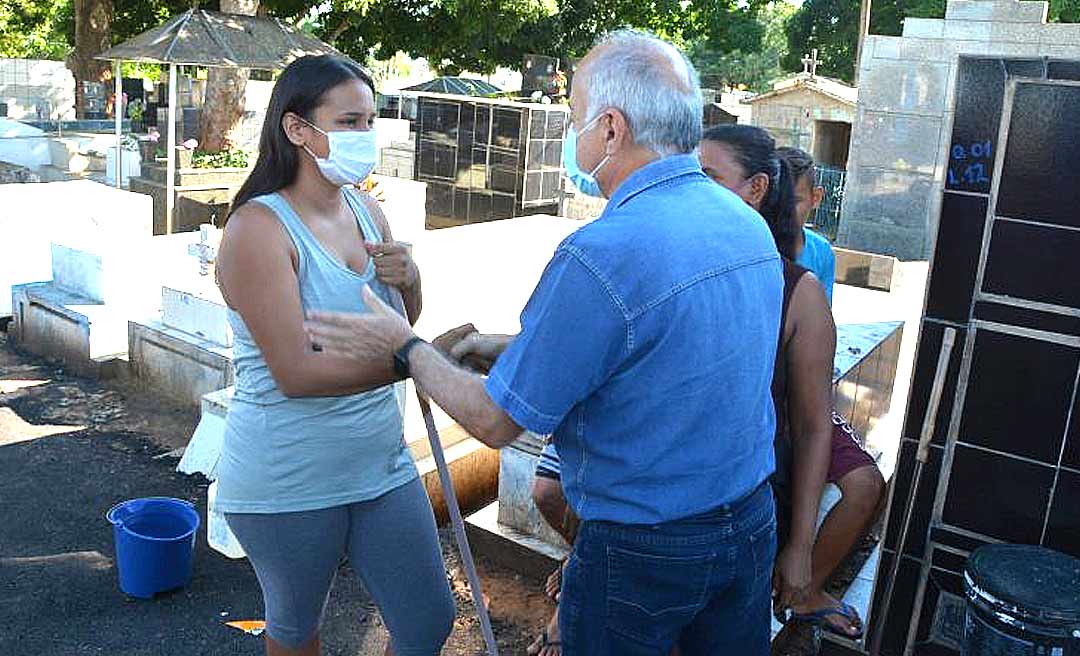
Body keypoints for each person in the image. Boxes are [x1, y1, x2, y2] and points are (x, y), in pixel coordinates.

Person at [306, 30, 787, 656]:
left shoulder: (603, 255)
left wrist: (406, 347)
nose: (569, 135)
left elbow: (497, 421)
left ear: (610, 129)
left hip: (645, 548)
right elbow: (657, 355)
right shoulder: (744, 224)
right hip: (747, 525)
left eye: (572, 117)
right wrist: (501, 347)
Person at [213, 55, 454, 656]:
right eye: (349, 121)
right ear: (297, 130)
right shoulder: (258, 230)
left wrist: (413, 280)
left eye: (370, 120)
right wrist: (418, 361)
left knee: (428, 622)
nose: (365, 136)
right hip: (287, 477)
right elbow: (295, 372)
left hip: (379, 464)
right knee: (296, 632)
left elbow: (396, 326)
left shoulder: (367, 209)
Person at [701, 126, 885, 639]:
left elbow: (810, 425)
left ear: (757, 190)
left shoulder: (796, 289)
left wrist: (801, 546)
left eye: (708, 177)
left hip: (746, 500)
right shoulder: (679, 268)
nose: (693, 191)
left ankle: (798, 593)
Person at [777, 147, 835, 304]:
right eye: (777, 200)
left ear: (815, 197)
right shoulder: (753, 246)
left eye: (794, 201)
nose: (783, 210)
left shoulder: (821, 251)